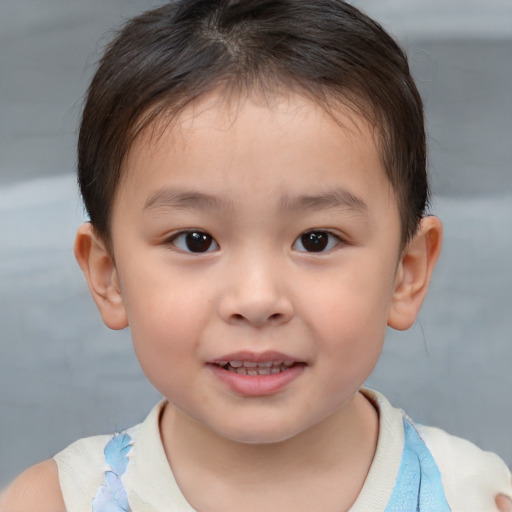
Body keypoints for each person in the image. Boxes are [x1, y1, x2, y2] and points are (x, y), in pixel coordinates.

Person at [1, 1, 511, 510]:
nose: (257, 298)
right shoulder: (56, 501)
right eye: (195, 240)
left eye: (317, 240)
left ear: (407, 272)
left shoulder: (477, 495)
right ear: (108, 275)